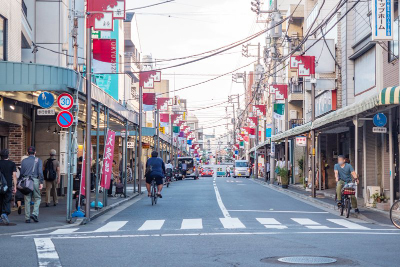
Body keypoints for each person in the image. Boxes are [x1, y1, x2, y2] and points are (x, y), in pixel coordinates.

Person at [20, 146, 44, 223]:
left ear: (27, 153)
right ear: (35, 152)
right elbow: (40, 172)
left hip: (26, 181)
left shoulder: (23, 161)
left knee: (27, 199)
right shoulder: (38, 160)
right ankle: (34, 213)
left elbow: (21, 173)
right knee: (37, 198)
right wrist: (41, 182)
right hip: (35, 180)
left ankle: (27, 218)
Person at [0, 149, 17, 225]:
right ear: (8, 155)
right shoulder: (12, 164)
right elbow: (14, 176)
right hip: (8, 185)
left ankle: (1, 216)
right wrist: (15, 186)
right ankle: (4, 214)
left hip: (0, 186)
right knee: (7, 200)